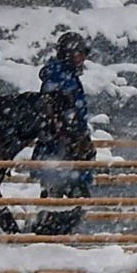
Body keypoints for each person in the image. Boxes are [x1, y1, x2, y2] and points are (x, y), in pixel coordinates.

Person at [35, 30, 95, 198]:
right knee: (60, 199)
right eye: (80, 53)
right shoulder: (60, 77)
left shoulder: (67, 76)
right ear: (69, 53)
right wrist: (72, 135)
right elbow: (52, 112)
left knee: (71, 199)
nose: (83, 58)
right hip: (61, 149)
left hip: (67, 150)